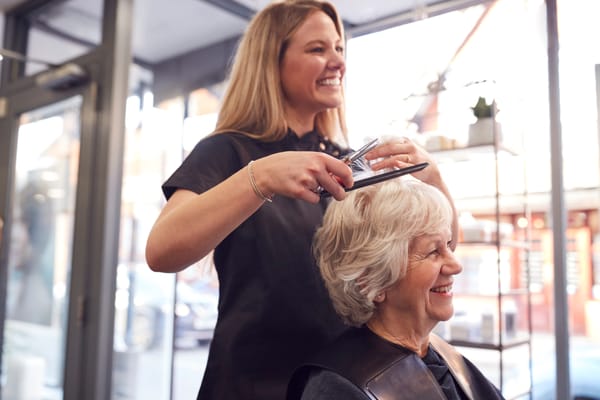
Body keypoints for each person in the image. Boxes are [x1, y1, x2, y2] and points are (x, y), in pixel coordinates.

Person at [145, 1, 457, 399]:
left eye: (340, 49)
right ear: (271, 62)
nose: (337, 62)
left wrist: (432, 176)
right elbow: (161, 252)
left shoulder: (345, 162)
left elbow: (439, 254)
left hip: (342, 383)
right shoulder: (228, 152)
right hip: (253, 387)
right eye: (317, 49)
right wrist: (260, 178)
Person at [287, 178, 504, 400]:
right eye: (432, 252)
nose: (456, 266)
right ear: (372, 279)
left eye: (448, 245)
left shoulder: (443, 356)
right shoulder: (337, 388)